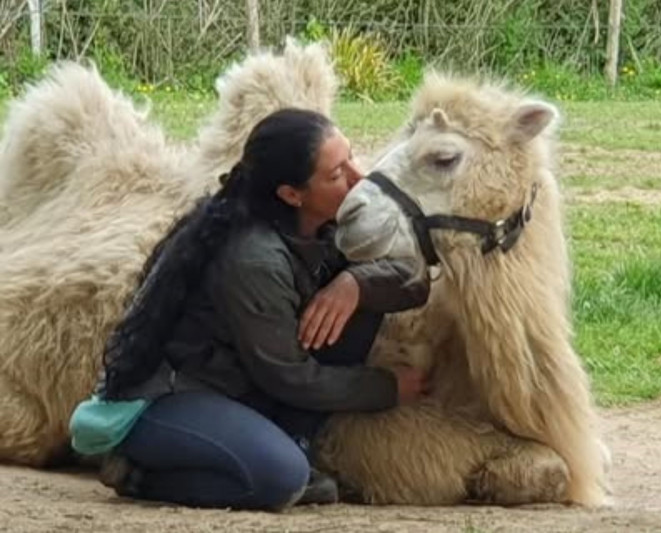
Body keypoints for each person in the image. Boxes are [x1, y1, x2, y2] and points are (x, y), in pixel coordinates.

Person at [69, 108, 430, 511]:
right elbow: (289, 377)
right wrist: (387, 388)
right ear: (292, 194)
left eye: (351, 157)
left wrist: (354, 285)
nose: (358, 178)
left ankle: (280, 442)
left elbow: (412, 279)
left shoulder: (324, 221)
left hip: (242, 385)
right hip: (172, 401)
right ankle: (139, 474)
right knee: (281, 479)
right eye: (335, 174)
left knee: (362, 301)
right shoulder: (255, 259)